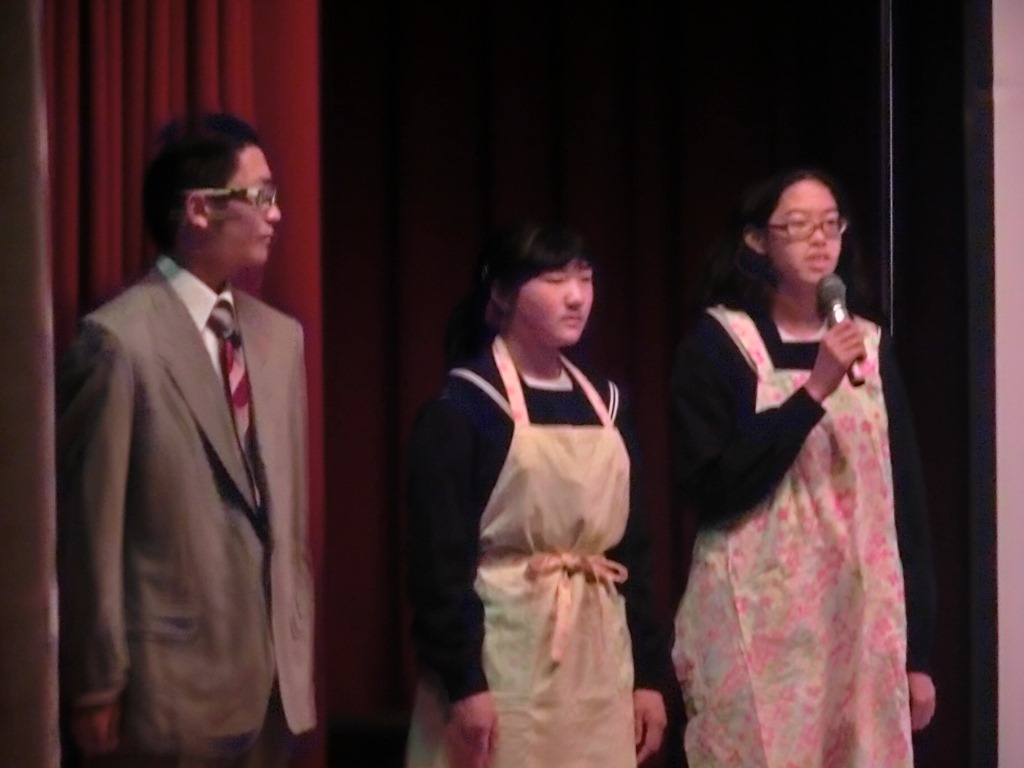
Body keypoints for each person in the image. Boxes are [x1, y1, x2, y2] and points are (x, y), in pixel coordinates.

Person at [56, 113, 316, 766]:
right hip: (167, 694)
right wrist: (95, 682)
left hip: (272, 688)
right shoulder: (118, 343)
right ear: (199, 210)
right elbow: (90, 533)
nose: (275, 214)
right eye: (260, 195)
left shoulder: (279, 339)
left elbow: (286, 525)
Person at [670, 168, 937, 766]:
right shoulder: (720, 344)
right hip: (758, 624)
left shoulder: (869, 346)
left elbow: (906, 500)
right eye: (797, 226)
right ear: (756, 241)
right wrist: (814, 389)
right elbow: (713, 486)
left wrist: (918, 652)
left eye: (830, 225)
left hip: (859, 621)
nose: (820, 239)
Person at [403, 223, 669, 768]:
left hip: (598, 656)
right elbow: (437, 564)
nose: (576, 296)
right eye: (553, 280)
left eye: (584, 279)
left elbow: (633, 553)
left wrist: (648, 677)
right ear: (502, 294)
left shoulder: (607, 405)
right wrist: (465, 684)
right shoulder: (468, 405)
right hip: (505, 655)